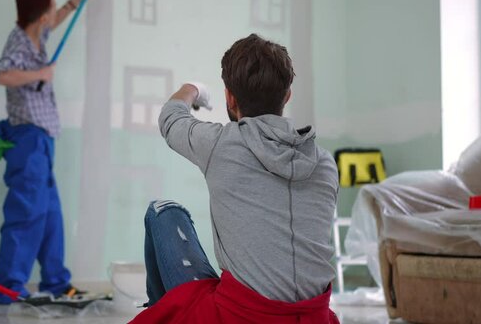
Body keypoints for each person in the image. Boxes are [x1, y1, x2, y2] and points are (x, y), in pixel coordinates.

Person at [131, 34, 340, 323]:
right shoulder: (325, 163)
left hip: (240, 316)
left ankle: (161, 314)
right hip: (311, 317)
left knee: (163, 212)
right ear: (287, 95)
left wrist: (194, 89)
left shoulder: (221, 143)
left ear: (230, 97)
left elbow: (171, 118)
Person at [0, 0, 91, 304]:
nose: (54, 8)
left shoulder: (37, 35)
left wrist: (76, 1)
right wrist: (40, 75)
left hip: (43, 139)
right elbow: (2, 74)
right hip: (27, 138)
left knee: (49, 214)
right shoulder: (18, 43)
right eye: (52, 3)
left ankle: (55, 282)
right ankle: (7, 287)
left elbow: (56, 18)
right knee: (26, 212)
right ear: (41, 11)